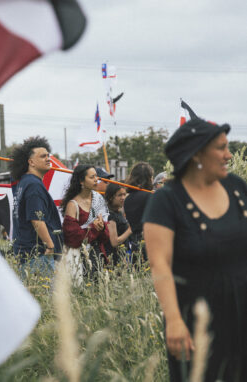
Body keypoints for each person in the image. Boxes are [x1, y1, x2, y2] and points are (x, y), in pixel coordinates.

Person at [143, 118, 247, 381]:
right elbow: (160, 265)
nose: (228, 155)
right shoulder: (166, 200)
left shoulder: (236, 188)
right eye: (221, 148)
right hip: (196, 321)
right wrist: (174, 320)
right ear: (197, 153)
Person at [11, 136, 63, 274]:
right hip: (38, 254)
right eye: (42, 156)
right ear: (31, 162)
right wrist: (50, 245)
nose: (48, 159)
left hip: (26, 253)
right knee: (44, 294)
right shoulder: (34, 185)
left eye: (48, 155)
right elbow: (37, 219)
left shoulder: (24, 182)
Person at [61, 165, 110, 280]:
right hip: (79, 258)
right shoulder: (73, 205)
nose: (96, 180)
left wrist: (102, 228)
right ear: (81, 181)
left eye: (96, 176)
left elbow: (106, 235)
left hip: (97, 255)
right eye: (92, 177)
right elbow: (71, 238)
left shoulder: (98, 199)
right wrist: (93, 228)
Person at [123, 161, 154, 259]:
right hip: (150, 244)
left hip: (136, 245)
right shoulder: (149, 197)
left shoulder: (128, 198)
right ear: (149, 178)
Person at [103, 183, 132, 263]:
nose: (123, 198)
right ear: (111, 197)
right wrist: (130, 230)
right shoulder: (110, 216)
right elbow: (114, 242)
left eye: (124, 194)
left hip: (123, 256)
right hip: (115, 259)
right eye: (119, 195)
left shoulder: (118, 211)